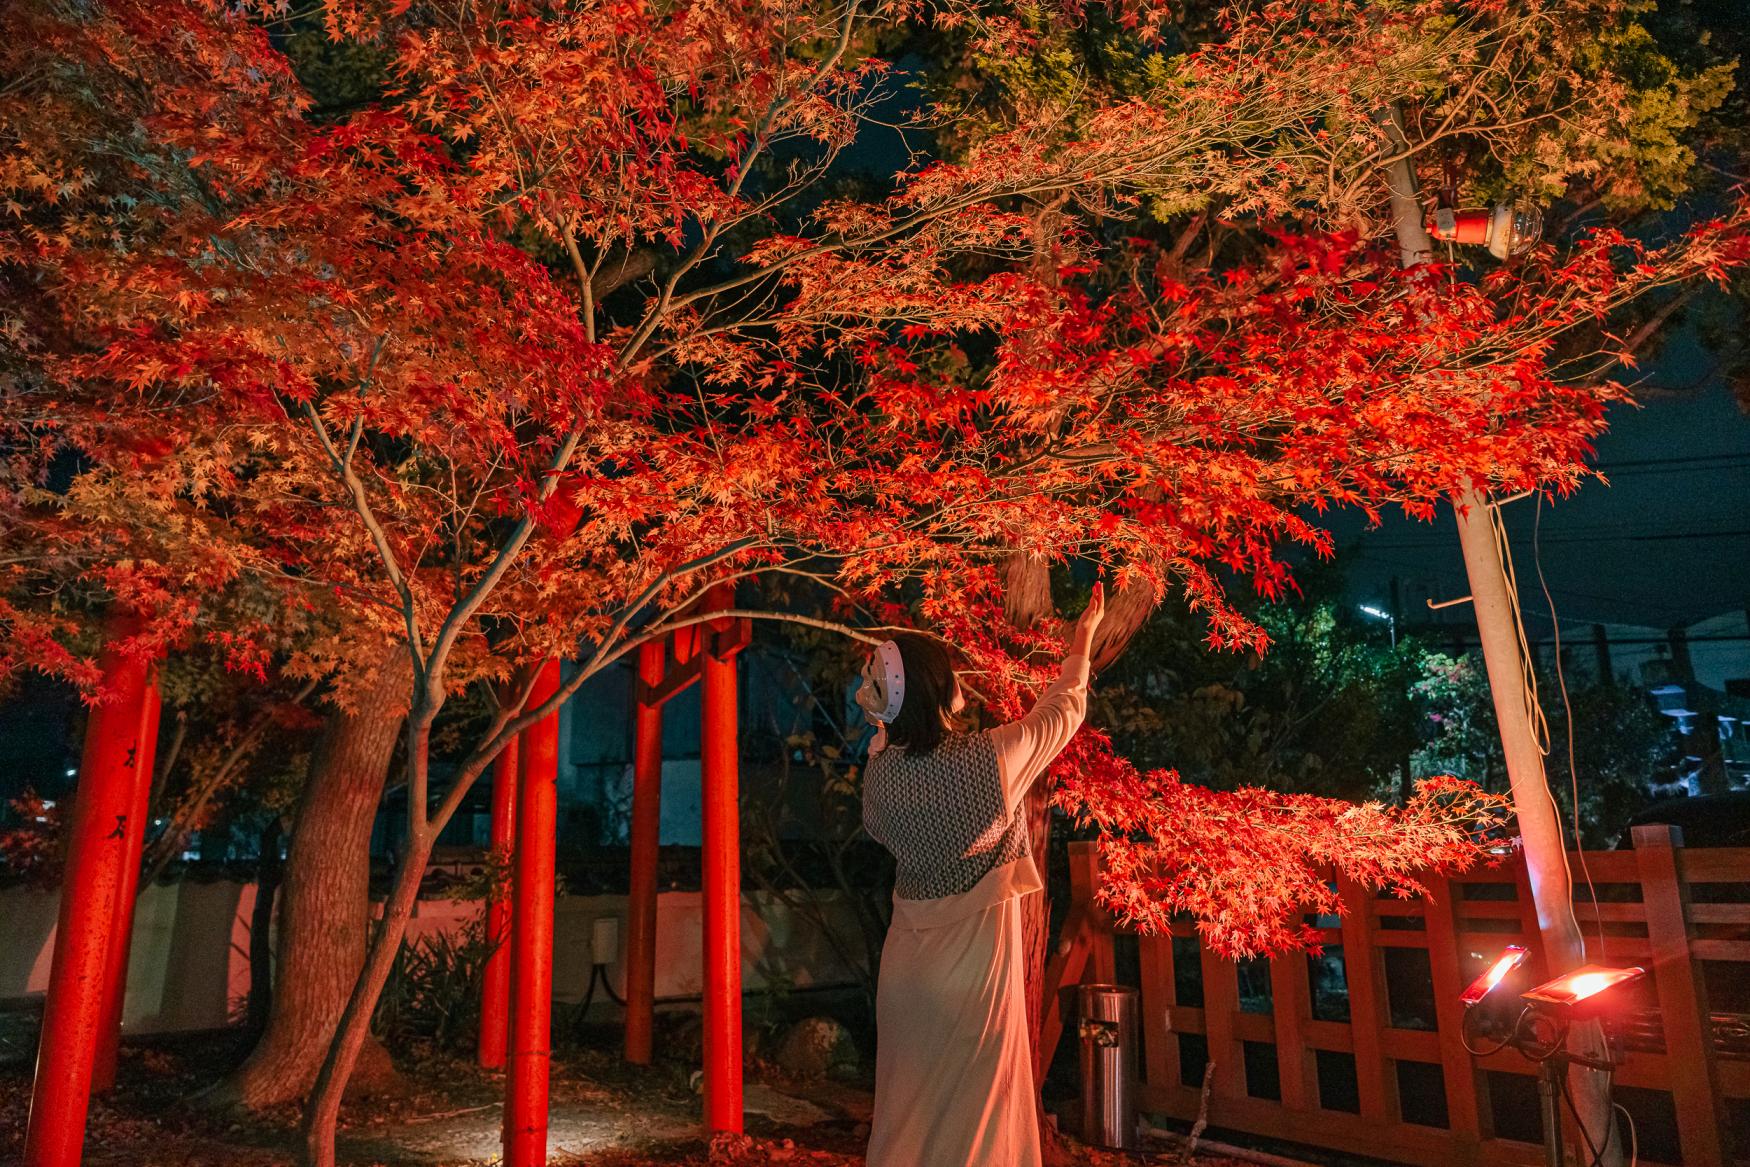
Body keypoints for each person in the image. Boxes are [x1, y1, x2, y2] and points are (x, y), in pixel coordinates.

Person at [859, 583, 1106, 1167]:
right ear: (942, 689)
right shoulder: (991, 759)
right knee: (979, 1119)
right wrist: (1082, 642)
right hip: (975, 972)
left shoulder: (877, 782)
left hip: (906, 973)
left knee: (905, 1121)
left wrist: (888, 725)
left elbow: (886, 737)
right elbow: (1064, 709)